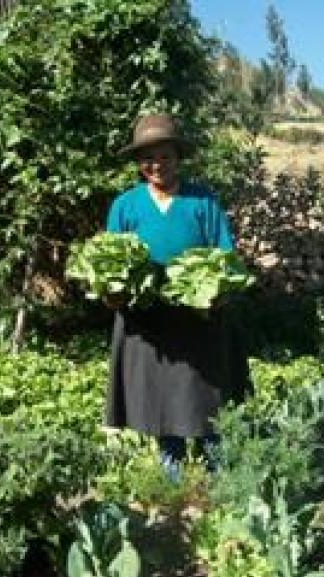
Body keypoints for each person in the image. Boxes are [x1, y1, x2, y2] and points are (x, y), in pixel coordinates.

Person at [104, 113, 251, 477]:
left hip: (199, 319)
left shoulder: (202, 201)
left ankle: (218, 482)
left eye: (165, 156)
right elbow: (108, 259)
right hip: (148, 321)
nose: (157, 165)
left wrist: (217, 291)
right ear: (139, 163)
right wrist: (112, 292)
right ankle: (173, 482)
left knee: (206, 402)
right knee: (162, 404)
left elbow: (225, 255)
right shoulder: (126, 206)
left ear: (178, 157)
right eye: (148, 158)